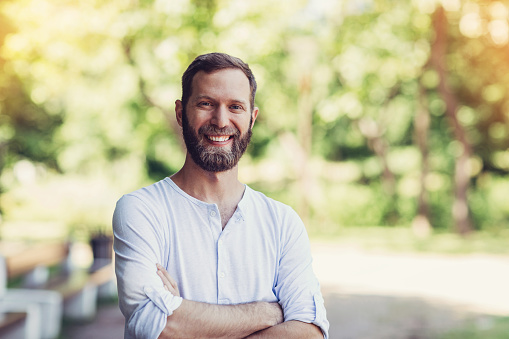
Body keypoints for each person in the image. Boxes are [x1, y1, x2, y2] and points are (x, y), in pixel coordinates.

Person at [113, 52, 329, 339]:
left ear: (252, 119)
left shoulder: (282, 222)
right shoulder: (141, 211)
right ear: (180, 113)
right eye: (206, 104)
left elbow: (310, 332)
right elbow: (156, 325)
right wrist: (267, 313)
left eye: (235, 107)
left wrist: (185, 315)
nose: (221, 120)